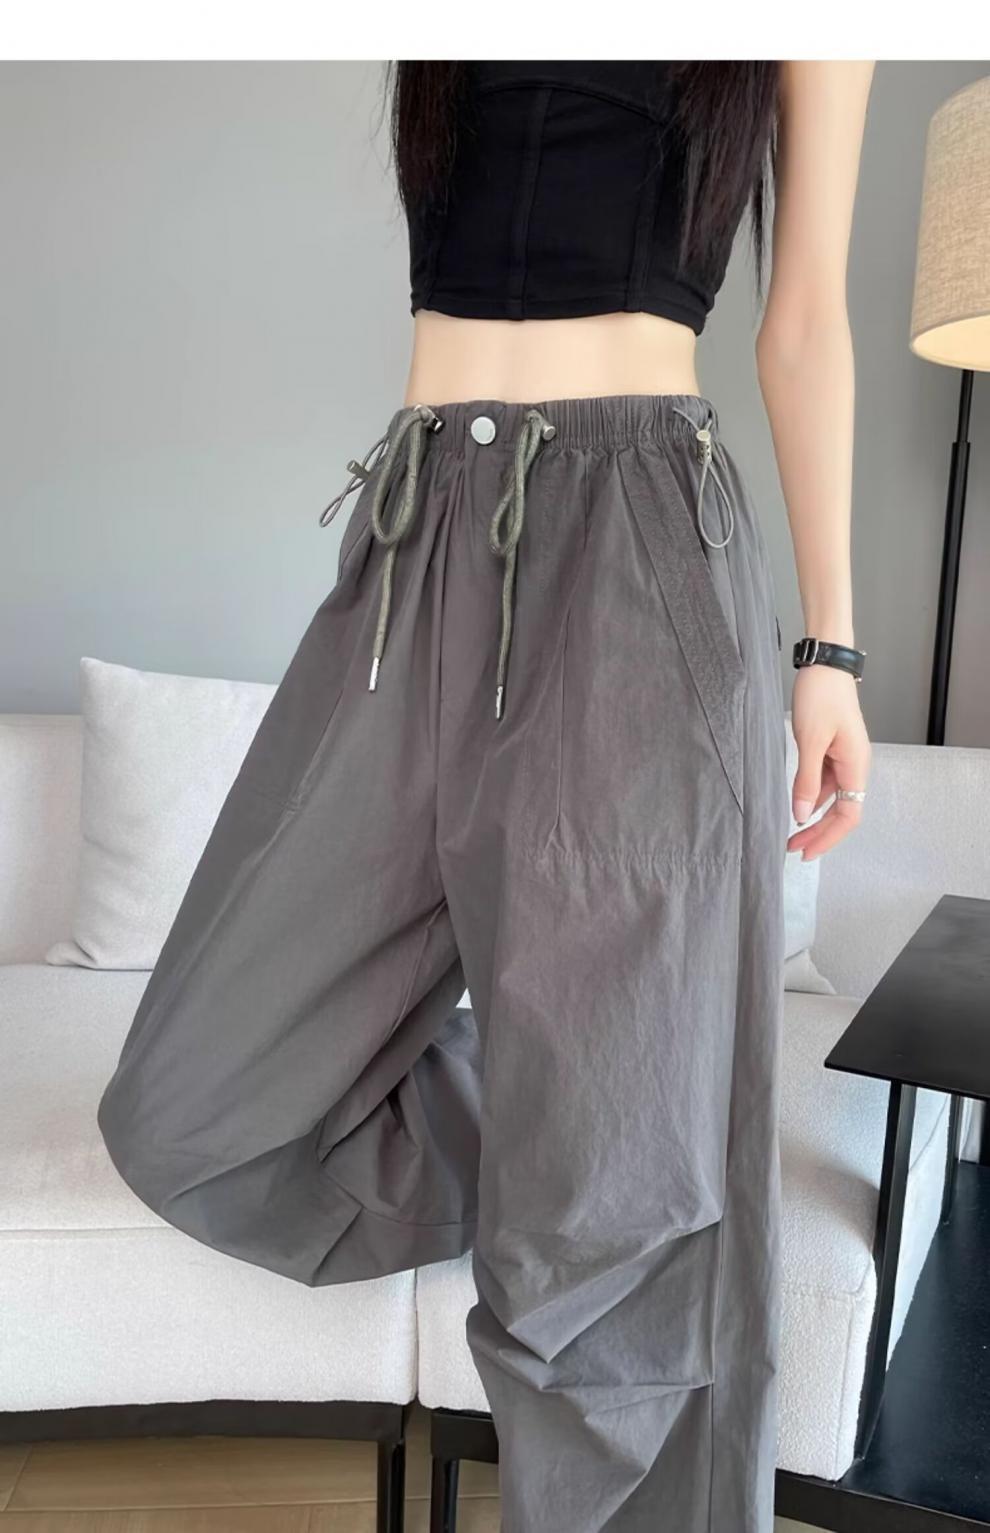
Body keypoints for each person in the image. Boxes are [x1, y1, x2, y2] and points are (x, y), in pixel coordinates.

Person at [97, 60, 875, 1533]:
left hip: (642, 538)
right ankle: (580, 1113)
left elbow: (805, 321)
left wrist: (828, 649)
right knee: (187, 1106)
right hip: (417, 530)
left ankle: (609, 1138)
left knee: (612, 1219)